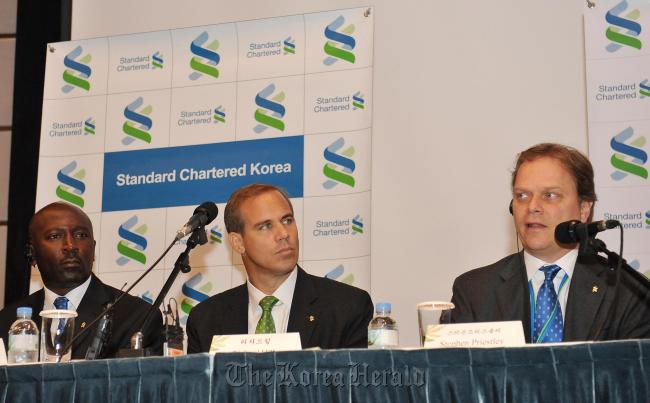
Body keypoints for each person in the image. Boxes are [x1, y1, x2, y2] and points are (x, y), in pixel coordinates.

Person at [449, 143, 650, 342]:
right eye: (522, 196)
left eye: (550, 195)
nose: (533, 207)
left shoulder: (627, 293)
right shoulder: (474, 291)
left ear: (584, 209)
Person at [186, 184, 373, 352]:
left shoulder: (346, 308)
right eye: (265, 226)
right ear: (238, 242)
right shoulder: (206, 320)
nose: (283, 234)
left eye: (287, 221)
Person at [0, 202, 163, 359]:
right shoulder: (7, 321)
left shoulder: (136, 318)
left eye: (80, 235)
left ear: (93, 248)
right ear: (32, 254)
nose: (70, 246)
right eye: (55, 236)